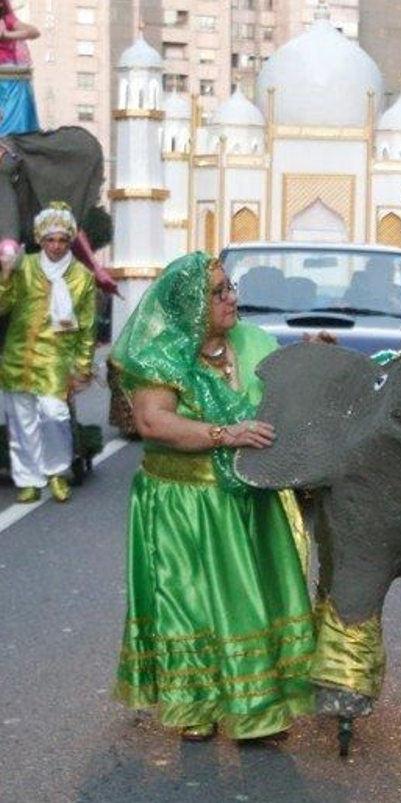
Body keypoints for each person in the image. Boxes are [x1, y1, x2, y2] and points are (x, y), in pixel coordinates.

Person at [111, 251, 314, 742]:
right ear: (191, 305)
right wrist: (228, 434)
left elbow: (284, 393)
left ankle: (258, 710)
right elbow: (153, 422)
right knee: (190, 602)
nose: (231, 299)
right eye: (218, 292)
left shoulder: (253, 342)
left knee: (253, 602)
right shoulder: (161, 355)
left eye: (231, 288)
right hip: (183, 503)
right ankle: (195, 704)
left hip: (250, 499)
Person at [0, 203, 97, 503]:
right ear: (40, 239)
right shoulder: (24, 265)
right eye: (50, 240)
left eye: (63, 240)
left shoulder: (82, 277)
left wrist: (83, 367)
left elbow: (87, 328)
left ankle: (57, 472)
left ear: (69, 241)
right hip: (19, 356)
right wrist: (6, 275)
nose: (56, 246)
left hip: (56, 360)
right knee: (21, 420)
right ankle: (28, 479)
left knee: (54, 414)